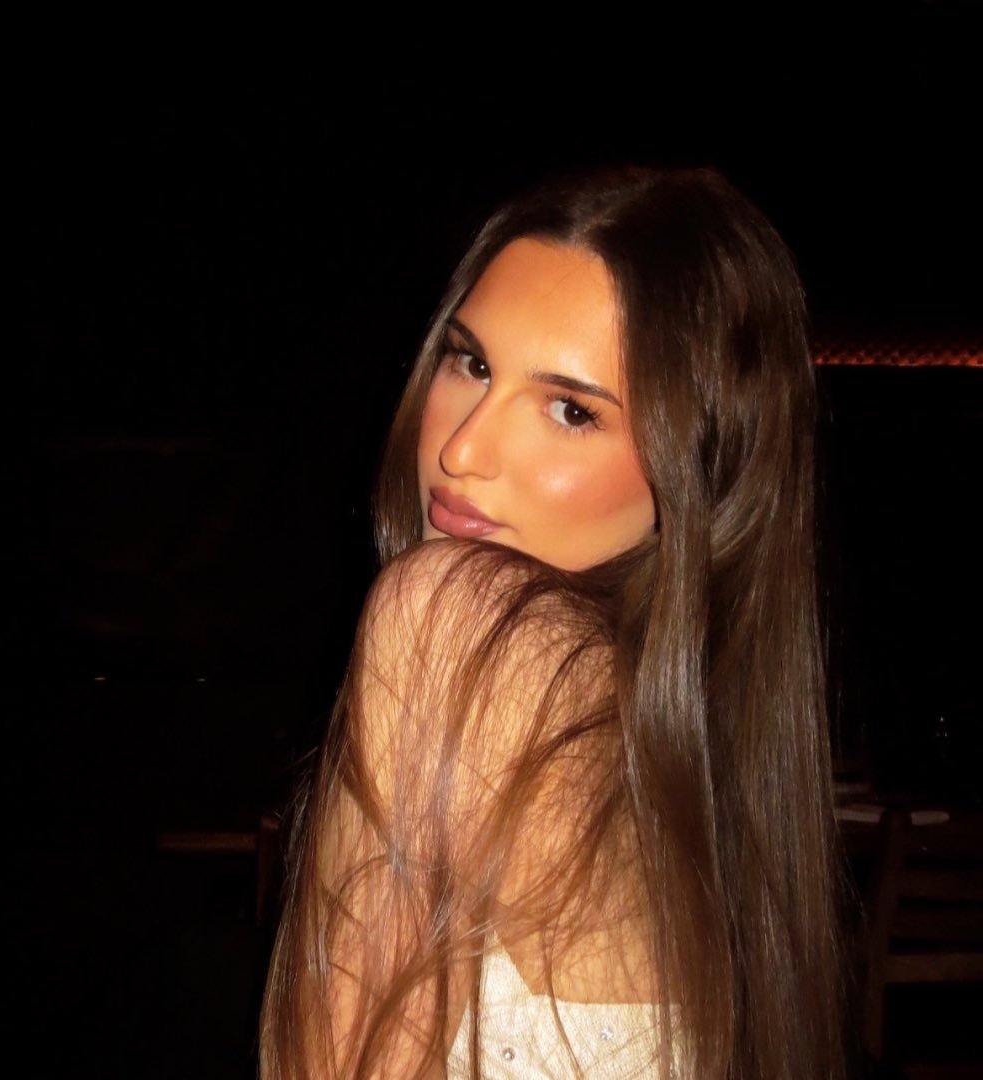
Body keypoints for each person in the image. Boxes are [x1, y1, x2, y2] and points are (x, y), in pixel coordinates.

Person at [260, 167, 845, 1078]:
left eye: (572, 411)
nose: (463, 449)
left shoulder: (455, 622)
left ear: (700, 478)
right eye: (471, 363)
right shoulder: (716, 803)